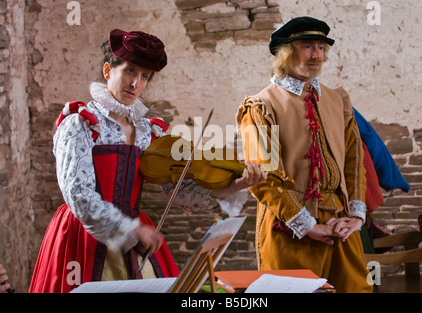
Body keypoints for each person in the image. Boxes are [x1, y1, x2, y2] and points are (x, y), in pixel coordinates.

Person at [29, 29, 265, 293]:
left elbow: (180, 193)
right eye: (130, 71)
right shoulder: (80, 123)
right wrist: (131, 230)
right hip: (83, 237)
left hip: (136, 237)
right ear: (108, 71)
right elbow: (78, 194)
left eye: (144, 77)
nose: (136, 84)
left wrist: (235, 185)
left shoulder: (148, 132)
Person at [236, 17, 373, 292]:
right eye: (308, 46)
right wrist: (308, 225)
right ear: (286, 52)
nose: (317, 55)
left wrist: (356, 215)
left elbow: (354, 159)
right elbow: (264, 176)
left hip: (340, 224)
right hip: (289, 228)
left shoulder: (337, 99)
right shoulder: (262, 105)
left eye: (321, 48)